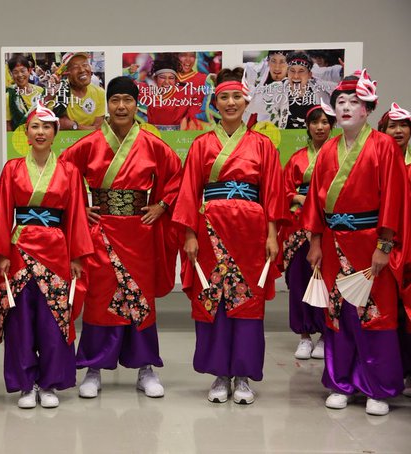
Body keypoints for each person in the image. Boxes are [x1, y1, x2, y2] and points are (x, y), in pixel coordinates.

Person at [59, 76, 183, 399]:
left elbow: (177, 174)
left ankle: (145, 368)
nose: (121, 106)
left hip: (139, 231)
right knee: (100, 299)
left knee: (140, 298)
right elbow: (62, 171)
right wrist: (80, 208)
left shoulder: (151, 143)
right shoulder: (90, 143)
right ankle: (94, 368)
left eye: (128, 100)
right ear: (107, 104)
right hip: (100, 231)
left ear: (136, 104)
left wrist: (162, 205)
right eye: (115, 100)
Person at [172, 68, 286, 405]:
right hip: (210, 233)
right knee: (215, 301)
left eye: (237, 96)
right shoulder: (201, 144)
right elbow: (189, 193)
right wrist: (189, 235)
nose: (231, 102)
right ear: (216, 102)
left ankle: (244, 376)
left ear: (246, 100)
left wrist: (272, 235)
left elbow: (273, 194)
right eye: (224, 97)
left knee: (248, 303)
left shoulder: (263, 145)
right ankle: (220, 374)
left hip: (251, 235)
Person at [302, 70, 410, 416]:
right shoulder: (328, 150)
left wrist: (385, 246)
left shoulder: (384, 147)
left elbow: (394, 199)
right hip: (334, 243)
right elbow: (314, 203)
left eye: (354, 102)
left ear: (368, 109)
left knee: (376, 314)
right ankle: (341, 383)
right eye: (341, 102)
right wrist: (315, 242)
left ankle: (378, 387)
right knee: (339, 314)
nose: (346, 107)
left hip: (370, 243)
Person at [0, 102, 93, 409]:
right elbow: (2, 212)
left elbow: (76, 215)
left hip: (56, 250)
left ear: (55, 132)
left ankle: (49, 383)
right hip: (19, 250)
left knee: (53, 320)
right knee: (20, 320)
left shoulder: (69, 171)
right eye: (35, 126)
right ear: (26, 132)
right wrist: (2, 252)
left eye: (47, 127)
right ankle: (26, 384)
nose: (40, 132)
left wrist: (76, 256)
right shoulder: (12, 169)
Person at [280, 105, 335, 359]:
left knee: (327, 279)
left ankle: (325, 334)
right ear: (308, 126)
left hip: (328, 224)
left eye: (325, 122)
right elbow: (282, 190)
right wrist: (299, 198)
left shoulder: (340, 156)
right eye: (315, 122)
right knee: (300, 279)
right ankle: (304, 336)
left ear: (332, 126)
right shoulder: (297, 158)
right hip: (299, 225)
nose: (320, 127)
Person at [377, 102, 411, 397]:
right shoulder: (377, 164)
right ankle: (389, 370)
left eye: (403, 125)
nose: (398, 130)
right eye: (392, 126)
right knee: (386, 311)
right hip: (382, 245)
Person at [266, 52, 335, 129]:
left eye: (301, 71)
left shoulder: (322, 91)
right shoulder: (275, 90)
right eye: (292, 71)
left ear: (309, 75)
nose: (296, 76)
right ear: (287, 73)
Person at [56, 52, 105, 131]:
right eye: (75, 67)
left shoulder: (100, 93)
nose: (82, 70)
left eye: (85, 65)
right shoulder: (59, 92)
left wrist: (74, 125)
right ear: (66, 72)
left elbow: (98, 128)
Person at [6, 54, 45, 131]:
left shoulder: (40, 91)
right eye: (15, 72)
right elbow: (8, 125)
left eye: (22, 71)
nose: (20, 75)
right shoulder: (8, 96)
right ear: (11, 74)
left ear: (29, 71)